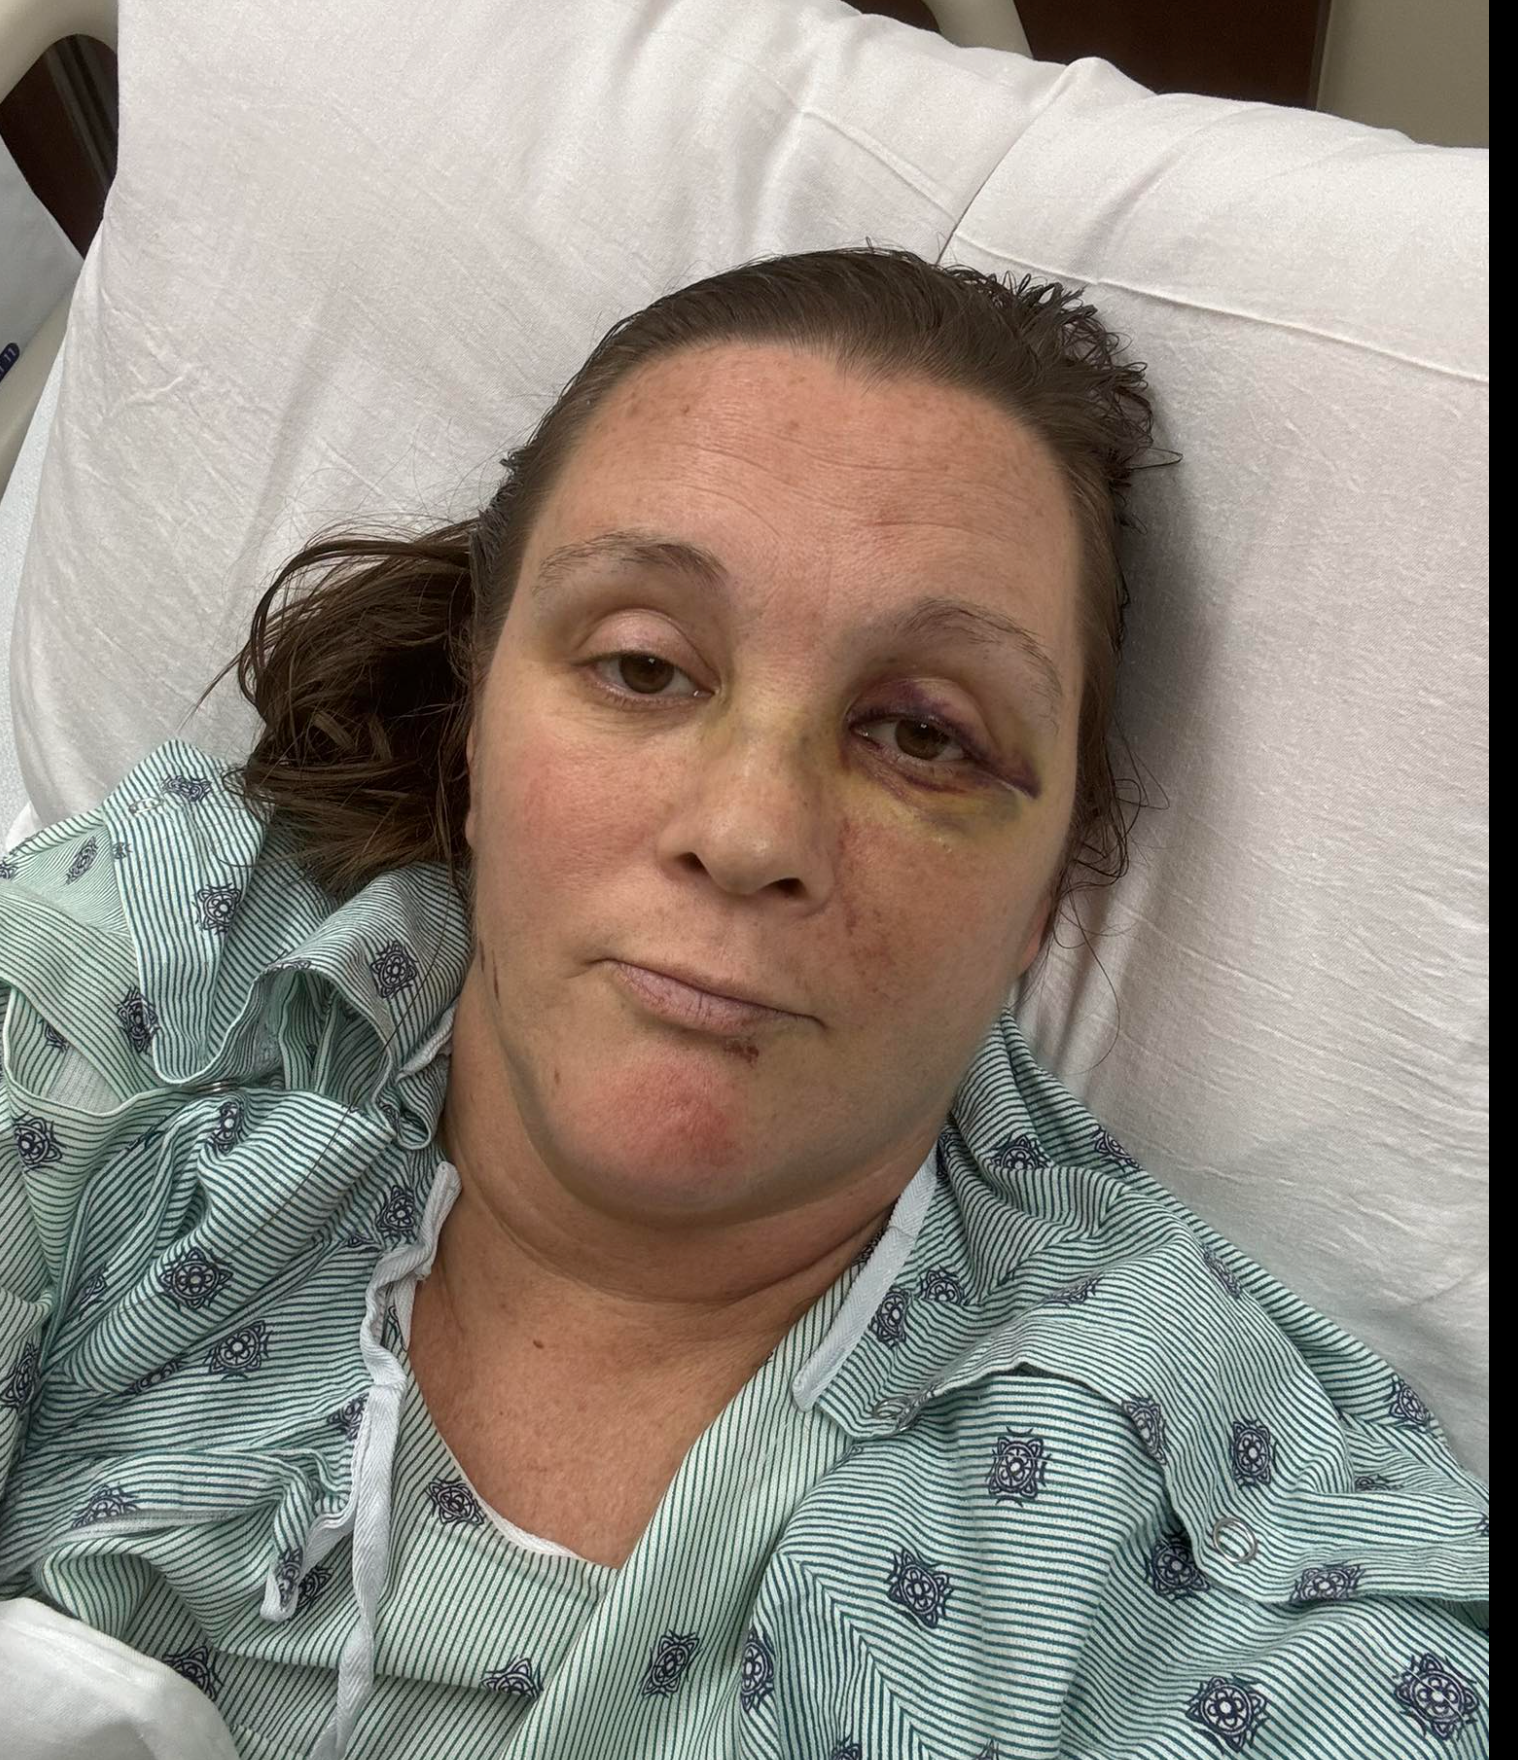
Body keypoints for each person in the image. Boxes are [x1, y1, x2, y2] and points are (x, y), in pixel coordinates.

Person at [0, 247, 1487, 1758]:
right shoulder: (158, 962)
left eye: (924, 736)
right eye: (644, 668)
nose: (750, 830)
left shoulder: (1214, 1554)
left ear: (1044, 901)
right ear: (475, 727)